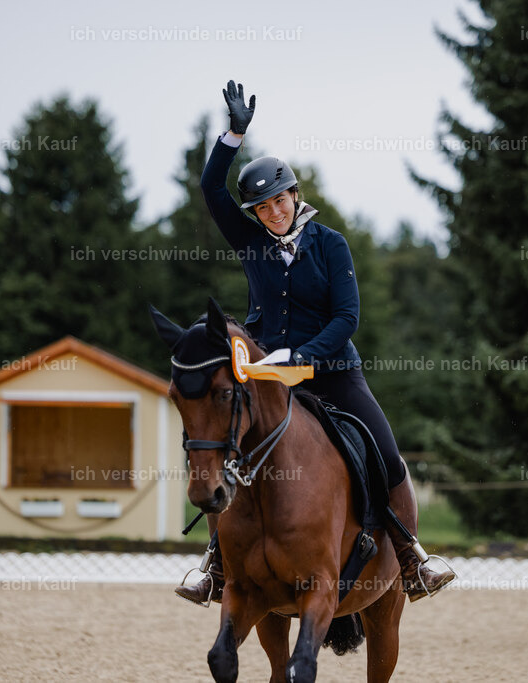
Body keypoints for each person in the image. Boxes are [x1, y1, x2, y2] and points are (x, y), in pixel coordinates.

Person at [174, 80, 455, 606]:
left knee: (386, 453)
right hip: (265, 379)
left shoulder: (330, 245)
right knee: (226, 451)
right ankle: (215, 562)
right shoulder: (252, 242)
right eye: (262, 206)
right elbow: (213, 188)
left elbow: (347, 317)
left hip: (330, 372)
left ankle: (411, 553)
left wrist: (306, 356)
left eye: (279, 200)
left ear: (294, 196)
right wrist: (234, 134)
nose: (273, 211)